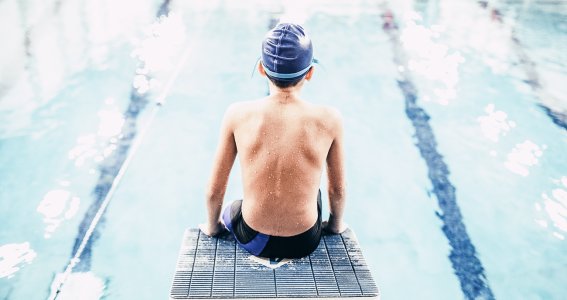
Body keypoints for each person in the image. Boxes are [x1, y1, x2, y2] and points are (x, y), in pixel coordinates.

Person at [199, 23, 347, 259]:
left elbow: (214, 189)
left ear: (260, 69)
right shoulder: (329, 119)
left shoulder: (237, 114)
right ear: (310, 73)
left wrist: (213, 227)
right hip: (304, 242)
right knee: (315, 194)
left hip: (254, 238)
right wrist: (335, 226)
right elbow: (337, 190)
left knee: (233, 208)